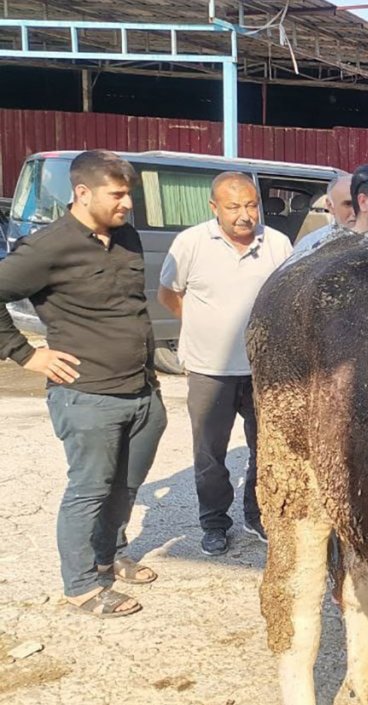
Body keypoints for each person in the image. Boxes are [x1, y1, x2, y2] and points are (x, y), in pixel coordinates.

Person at [0, 150, 167, 618]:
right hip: (88, 396)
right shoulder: (48, 247)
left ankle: (107, 558)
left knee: (127, 486)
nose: (126, 204)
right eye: (117, 195)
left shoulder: (126, 236)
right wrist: (27, 354)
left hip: (142, 391)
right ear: (83, 192)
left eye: (128, 194)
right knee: (90, 489)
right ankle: (81, 586)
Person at [157, 172, 292, 556]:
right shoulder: (191, 243)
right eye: (233, 207)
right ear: (214, 207)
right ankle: (214, 523)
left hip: (263, 371)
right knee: (209, 454)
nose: (244, 215)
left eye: (251, 205)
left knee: (265, 449)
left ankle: (258, 516)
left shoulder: (277, 243)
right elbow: (169, 295)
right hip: (208, 371)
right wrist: (204, 328)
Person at [292, 173, 355, 255]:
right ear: (330, 206)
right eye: (348, 204)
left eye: (362, 203)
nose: (356, 211)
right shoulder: (310, 246)